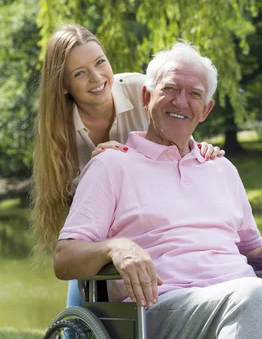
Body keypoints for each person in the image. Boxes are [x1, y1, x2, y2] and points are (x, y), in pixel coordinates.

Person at [53, 42, 262, 338]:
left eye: (194, 94)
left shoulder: (221, 168)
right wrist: (114, 247)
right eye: (170, 89)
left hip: (244, 299)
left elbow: (252, 252)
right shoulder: (112, 165)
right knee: (253, 294)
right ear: (146, 96)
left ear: (205, 110)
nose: (180, 102)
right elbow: (64, 259)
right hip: (161, 307)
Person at [32, 24, 224, 308]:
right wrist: (101, 168)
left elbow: (177, 131)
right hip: (104, 232)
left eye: (100, 62)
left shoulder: (139, 89)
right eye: (79, 73)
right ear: (63, 85)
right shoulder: (56, 130)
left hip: (155, 221)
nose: (97, 78)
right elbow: (74, 206)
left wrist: (199, 150)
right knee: (81, 311)